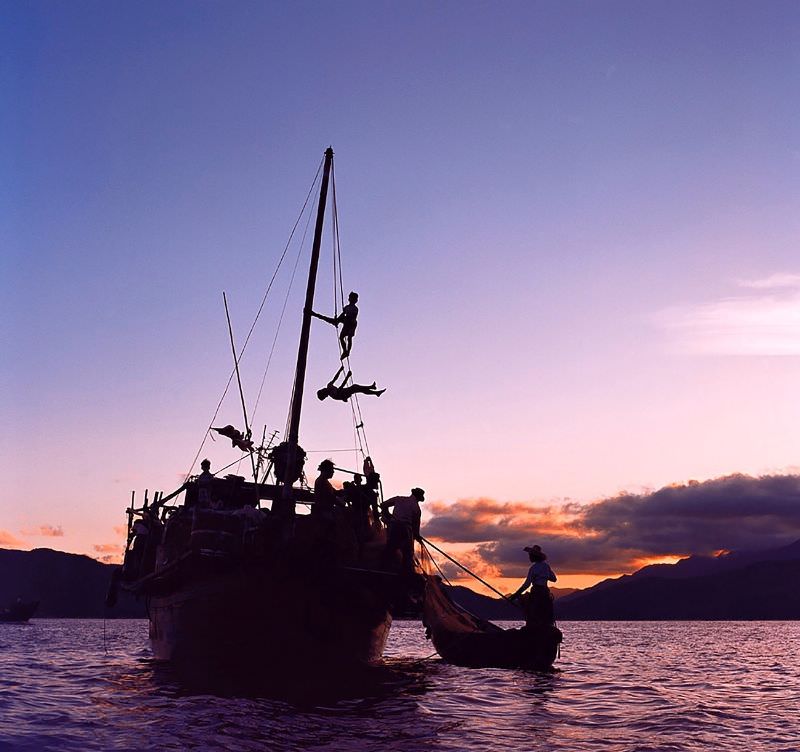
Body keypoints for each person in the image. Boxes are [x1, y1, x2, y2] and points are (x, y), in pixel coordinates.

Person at [511, 545, 557, 627]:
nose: (529, 557)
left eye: (530, 555)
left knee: (532, 612)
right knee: (545, 614)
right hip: (545, 592)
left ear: (534, 556)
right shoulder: (546, 566)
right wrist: (544, 576)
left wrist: (515, 595)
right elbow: (554, 579)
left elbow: (527, 584)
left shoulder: (533, 568)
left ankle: (532, 628)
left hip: (536, 592)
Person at [382, 487, 425, 575]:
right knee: (407, 553)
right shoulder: (416, 508)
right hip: (405, 529)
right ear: (419, 497)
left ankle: (384, 568)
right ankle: (406, 574)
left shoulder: (399, 499)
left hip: (394, 527)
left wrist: (387, 515)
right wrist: (418, 537)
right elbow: (415, 529)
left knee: (390, 549)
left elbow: (383, 505)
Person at [312, 291, 359, 359]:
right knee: (341, 337)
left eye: (353, 298)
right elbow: (343, 314)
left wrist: (341, 319)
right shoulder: (346, 307)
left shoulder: (355, 308)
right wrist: (338, 319)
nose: (351, 299)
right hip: (346, 322)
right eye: (350, 298)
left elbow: (352, 316)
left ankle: (347, 351)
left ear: (355, 300)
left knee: (349, 337)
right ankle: (344, 351)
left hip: (352, 323)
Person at [316, 365, 385, 402]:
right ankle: (372, 388)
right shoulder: (332, 394)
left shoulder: (329, 386)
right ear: (324, 394)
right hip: (345, 393)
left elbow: (335, 378)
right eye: (322, 391)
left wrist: (340, 370)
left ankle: (375, 391)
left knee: (358, 388)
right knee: (355, 387)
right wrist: (347, 377)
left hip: (344, 392)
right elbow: (341, 387)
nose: (323, 389)